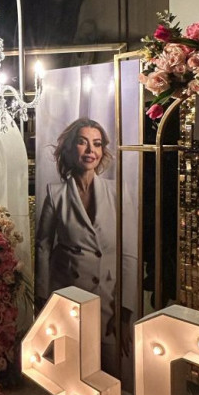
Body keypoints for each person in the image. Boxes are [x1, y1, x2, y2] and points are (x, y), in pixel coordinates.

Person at [35, 117, 117, 337]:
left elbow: (128, 252)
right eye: (82, 142)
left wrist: (126, 306)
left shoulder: (117, 192)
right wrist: (41, 295)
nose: (91, 150)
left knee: (108, 355)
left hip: (108, 296)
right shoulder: (56, 193)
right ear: (70, 148)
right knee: (67, 352)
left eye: (97, 144)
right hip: (67, 291)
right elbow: (43, 247)